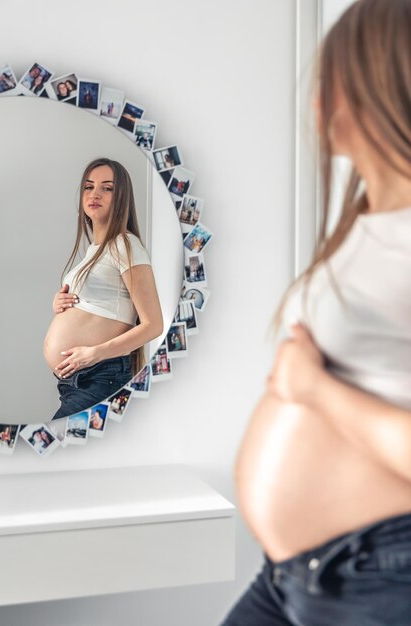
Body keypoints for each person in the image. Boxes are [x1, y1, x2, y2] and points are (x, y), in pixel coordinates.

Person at [221, 1, 411, 624]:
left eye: (337, 78)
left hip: (379, 574)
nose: (317, 98)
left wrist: (313, 391)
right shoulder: (365, 225)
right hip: (298, 574)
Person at [43, 157, 163, 421]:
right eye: (89, 186)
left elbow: (153, 325)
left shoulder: (125, 245)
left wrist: (94, 353)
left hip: (101, 375)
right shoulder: (94, 250)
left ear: (121, 197)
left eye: (106, 188)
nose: (95, 193)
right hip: (78, 380)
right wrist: (61, 305)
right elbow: (98, 304)